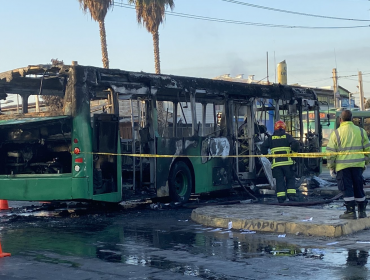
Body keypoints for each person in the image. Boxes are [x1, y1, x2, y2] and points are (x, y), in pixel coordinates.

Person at [327, 109, 370, 219]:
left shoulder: (336, 133)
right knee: (358, 187)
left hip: (343, 167)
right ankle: (362, 212)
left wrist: (331, 168)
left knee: (347, 188)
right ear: (351, 119)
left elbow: (331, 153)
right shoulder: (360, 131)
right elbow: (367, 149)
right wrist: (365, 163)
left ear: (340, 120)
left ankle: (350, 212)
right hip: (358, 166)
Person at [261, 120, 299, 203]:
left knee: (279, 180)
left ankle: (281, 198)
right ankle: (291, 196)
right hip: (288, 163)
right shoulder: (287, 137)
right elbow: (295, 144)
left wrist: (269, 157)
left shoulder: (270, 138)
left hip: (276, 164)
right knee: (290, 179)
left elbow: (263, 148)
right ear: (284, 128)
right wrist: (294, 153)